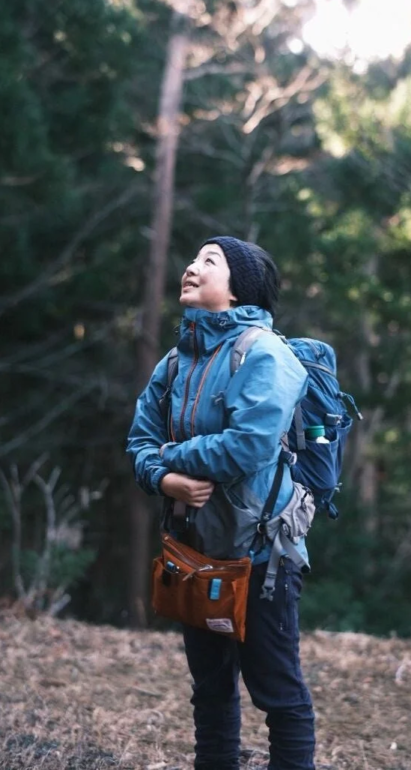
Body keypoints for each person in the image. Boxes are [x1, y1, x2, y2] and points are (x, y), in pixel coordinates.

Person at [127, 236, 316, 770]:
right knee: (209, 694)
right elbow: (137, 444)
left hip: (260, 558)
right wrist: (167, 481)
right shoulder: (175, 360)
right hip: (195, 554)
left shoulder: (266, 354)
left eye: (210, 261)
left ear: (238, 290)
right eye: (192, 258)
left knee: (278, 694)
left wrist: (171, 456)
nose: (191, 267)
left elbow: (249, 444)